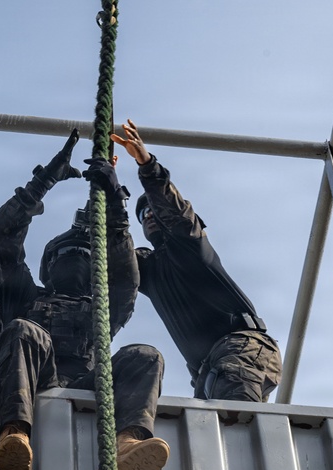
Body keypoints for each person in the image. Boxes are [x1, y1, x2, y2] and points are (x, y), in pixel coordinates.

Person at [0, 130, 170, 470]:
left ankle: (126, 444)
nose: (76, 259)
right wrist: (43, 181)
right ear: (48, 265)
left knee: (146, 355)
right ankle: (15, 436)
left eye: (84, 254)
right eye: (67, 253)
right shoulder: (24, 296)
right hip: (33, 382)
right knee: (25, 329)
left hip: (88, 385)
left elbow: (125, 276)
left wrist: (115, 203)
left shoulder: (104, 307)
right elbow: (0, 242)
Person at [111, 119, 283, 402]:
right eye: (142, 215)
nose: (149, 215)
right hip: (207, 370)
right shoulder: (149, 270)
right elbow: (113, 251)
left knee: (233, 422)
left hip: (240, 347)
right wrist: (109, 191)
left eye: (152, 209)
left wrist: (146, 165)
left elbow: (175, 211)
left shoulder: (189, 242)